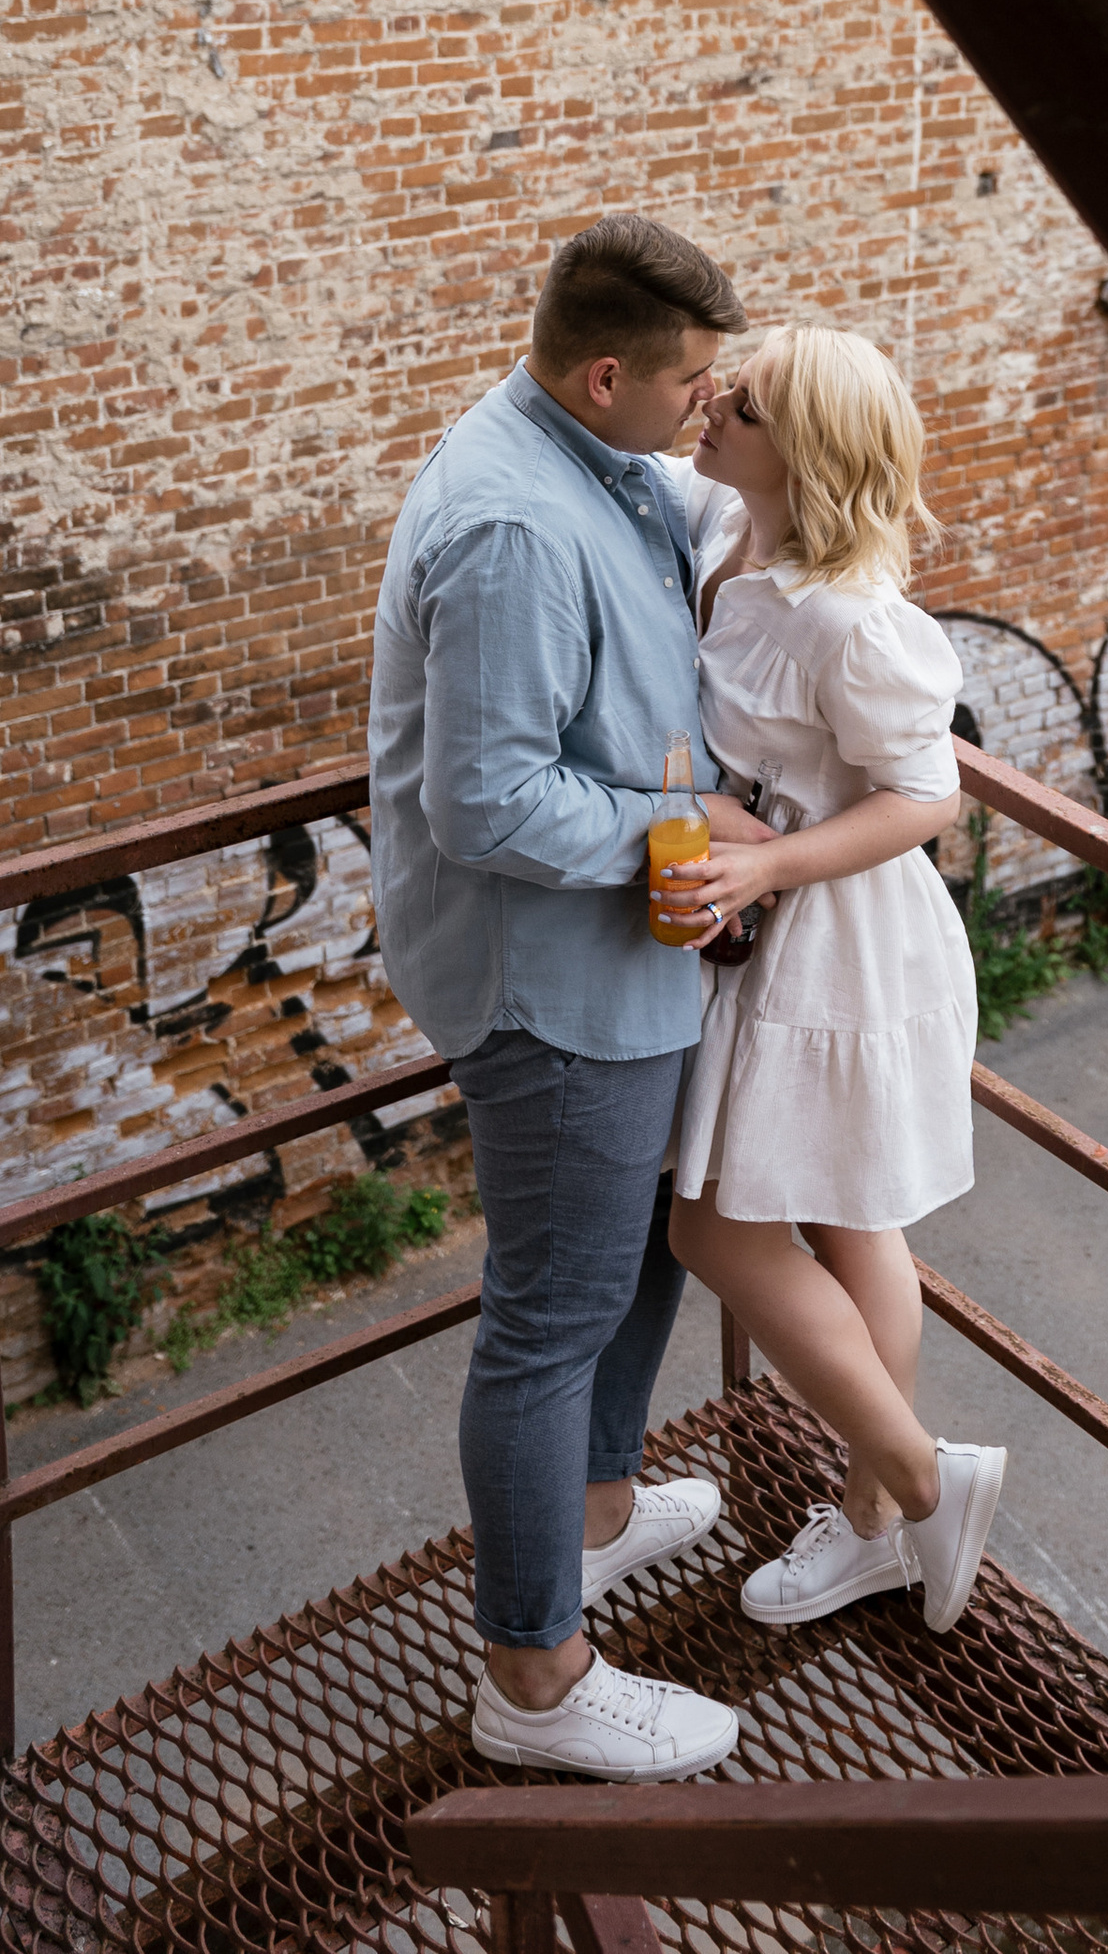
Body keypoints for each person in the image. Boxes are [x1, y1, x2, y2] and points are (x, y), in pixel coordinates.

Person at [370, 211, 772, 1780]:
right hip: (548, 991)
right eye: (690, 386)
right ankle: (534, 1678)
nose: (704, 408)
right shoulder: (517, 529)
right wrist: (695, 825)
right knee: (548, 1318)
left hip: (623, 956)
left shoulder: (599, 454)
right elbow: (488, 805)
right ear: (606, 376)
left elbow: (720, 495)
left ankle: (598, 1510)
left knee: (643, 1251)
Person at [664, 322, 1004, 1634]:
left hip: (840, 944)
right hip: (777, 925)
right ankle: (873, 1524)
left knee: (713, 1228)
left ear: (800, 456)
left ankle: (917, 1479)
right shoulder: (727, 525)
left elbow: (929, 797)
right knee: (857, 1227)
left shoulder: (851, 620)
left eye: (743, 404)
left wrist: (767, 862)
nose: (713, 404)